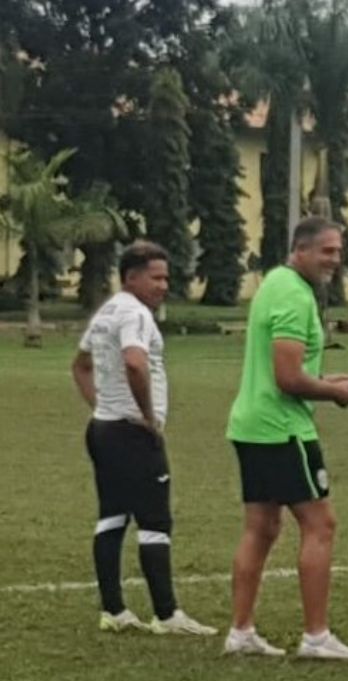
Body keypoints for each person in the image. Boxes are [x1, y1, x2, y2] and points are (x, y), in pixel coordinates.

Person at [223, 217, 348, 659]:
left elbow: (285, 370)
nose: (335, 260)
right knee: (320, 523)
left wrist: (326, 378)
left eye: (339, 252)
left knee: (262, 527)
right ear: (300, 250)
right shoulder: (292, 292)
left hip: (251, 424)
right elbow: (287, 378)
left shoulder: (275, 283)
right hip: (281, 429)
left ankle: (241, 631)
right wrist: (334, 393)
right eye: (327, 251)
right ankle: (316, 636)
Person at [71, 240, 217, 636]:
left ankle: (114, 610)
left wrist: (101, 406)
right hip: (132, 434)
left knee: (111, 517)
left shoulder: (108, 311)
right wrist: (147, 417)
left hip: (103, 429)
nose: (163, 285)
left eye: (166, 277)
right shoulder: (135, 313)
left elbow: (81, 365)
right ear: (131, 277)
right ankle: (166, 615)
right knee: (155, 521)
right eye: (156, 277)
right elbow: (135, 363)